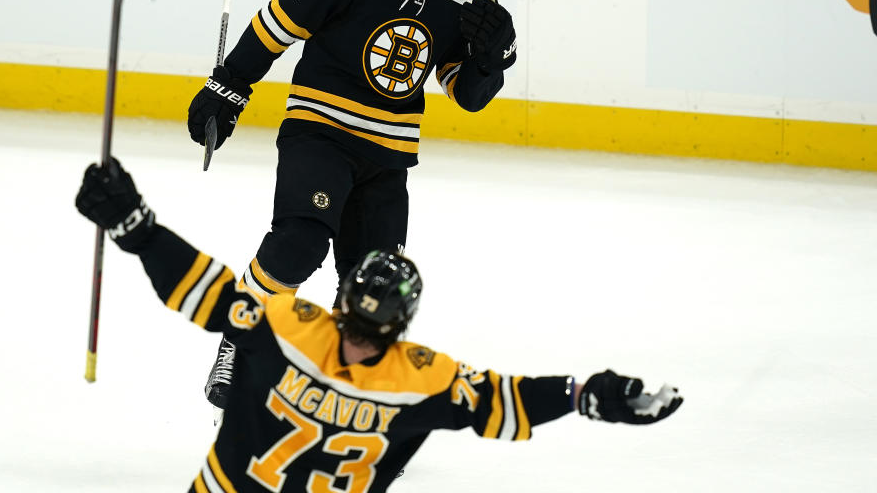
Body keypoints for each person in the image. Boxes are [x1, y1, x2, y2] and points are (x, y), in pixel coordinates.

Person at [75, 159, 684, 493]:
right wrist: (585, 395)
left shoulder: (287, 326)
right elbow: (504, 400)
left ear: (341, 301)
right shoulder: (420, 380)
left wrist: (136, 226)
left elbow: (205, 290)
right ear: (404, 325)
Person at [186, 0, 520, 413]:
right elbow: (278, 23)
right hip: (320, 131)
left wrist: (491, 60)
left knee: (375, 288)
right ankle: (240, 342)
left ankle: (344, 389)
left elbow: (467, 93)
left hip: (388, 157)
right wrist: (229, 85)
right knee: (300, 242)